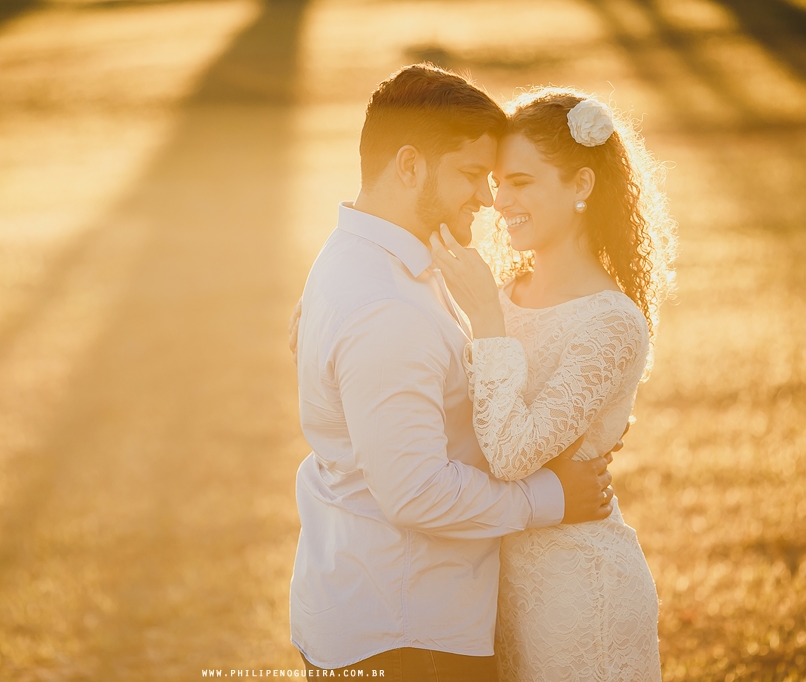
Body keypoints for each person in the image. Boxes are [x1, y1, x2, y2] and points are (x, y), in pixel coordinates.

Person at [288, 64, 616, 681]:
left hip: (372, 604)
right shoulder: (386, 305)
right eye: (471, 174)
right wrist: (551, 496)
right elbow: (417, 491)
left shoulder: (364, 256)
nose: (487, 199)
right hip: (407, 632)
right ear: (409, 166)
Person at [429, 87, 677, 680]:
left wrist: (487, 321)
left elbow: (512, 455)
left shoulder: (611, 322)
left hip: (580, 594)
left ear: (581, 184)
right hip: (498, 588)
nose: (498, 201)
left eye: (520, 182)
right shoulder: (501, 294)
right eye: (497, 183)